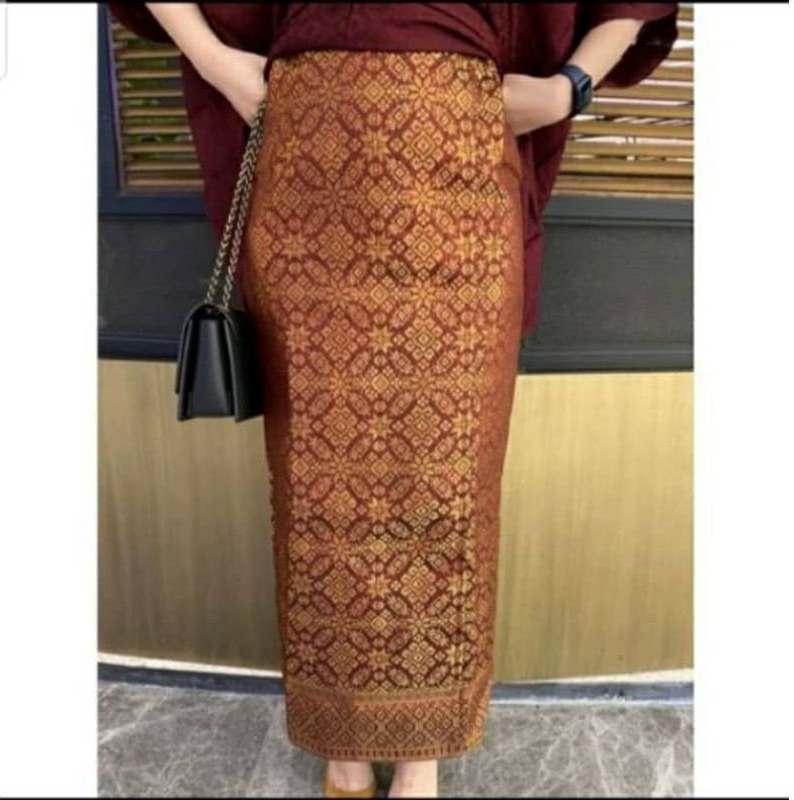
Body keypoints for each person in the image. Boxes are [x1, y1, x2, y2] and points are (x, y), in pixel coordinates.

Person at [107, 4, 678, 797]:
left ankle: (421, 757)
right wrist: (213, 59)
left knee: (449, 479)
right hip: (311, 159)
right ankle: (340, 742)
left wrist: (568, 88)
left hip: (460, 155)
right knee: (320, 486)